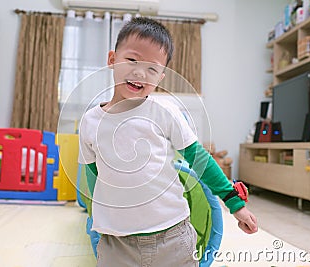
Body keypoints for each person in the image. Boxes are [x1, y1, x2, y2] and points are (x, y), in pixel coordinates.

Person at [78, 17, 258, 267]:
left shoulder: (164, 111)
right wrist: (97, 219)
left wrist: (234, 203)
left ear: (161, 77)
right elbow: (93, 175)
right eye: (132, 60)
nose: (140, 72)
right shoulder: (90, 121)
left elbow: (199, 158)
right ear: (112, 59)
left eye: (152, 69)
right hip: (116, 244)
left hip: (173, 237)